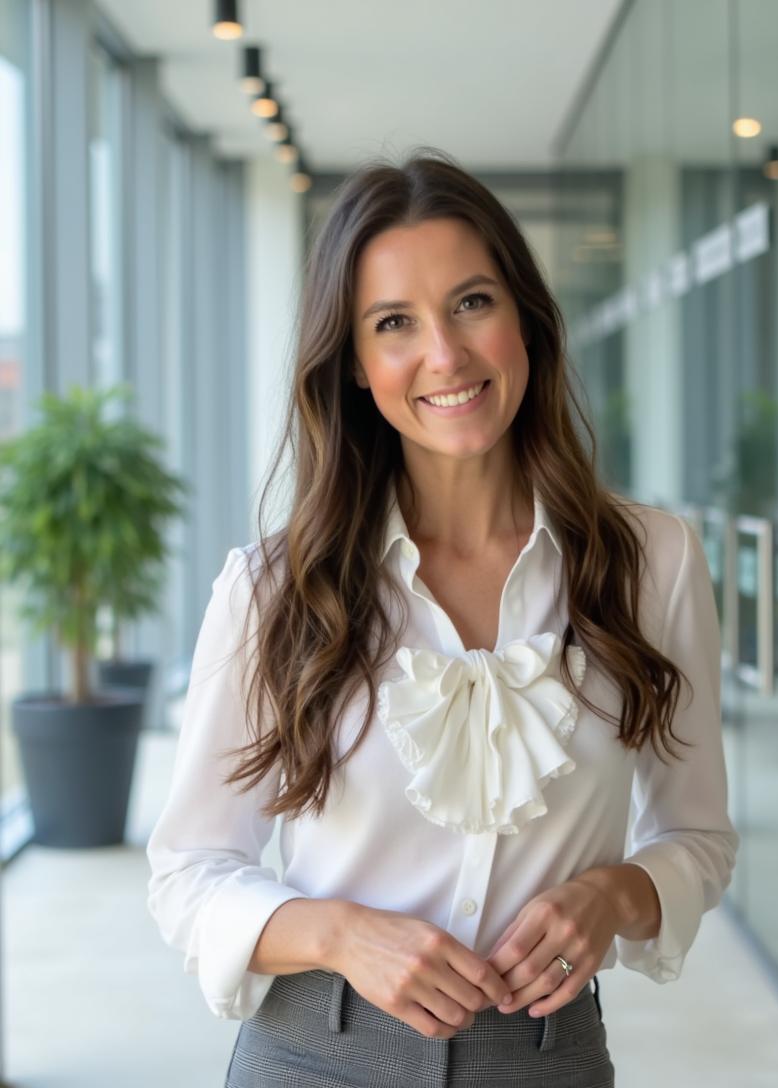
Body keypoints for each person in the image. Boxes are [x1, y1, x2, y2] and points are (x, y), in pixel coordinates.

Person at [146, 148, 739, 1088]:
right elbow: (189, 870)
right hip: (314, 1053)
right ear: (354, 368)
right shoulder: (273, 590)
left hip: (546, 1059)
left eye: (472, 303)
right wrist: (341, 934)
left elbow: (698, 837)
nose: (446, 354)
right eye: (394, 323)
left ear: (526, 321)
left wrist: (613, 892)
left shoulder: (652, 562)